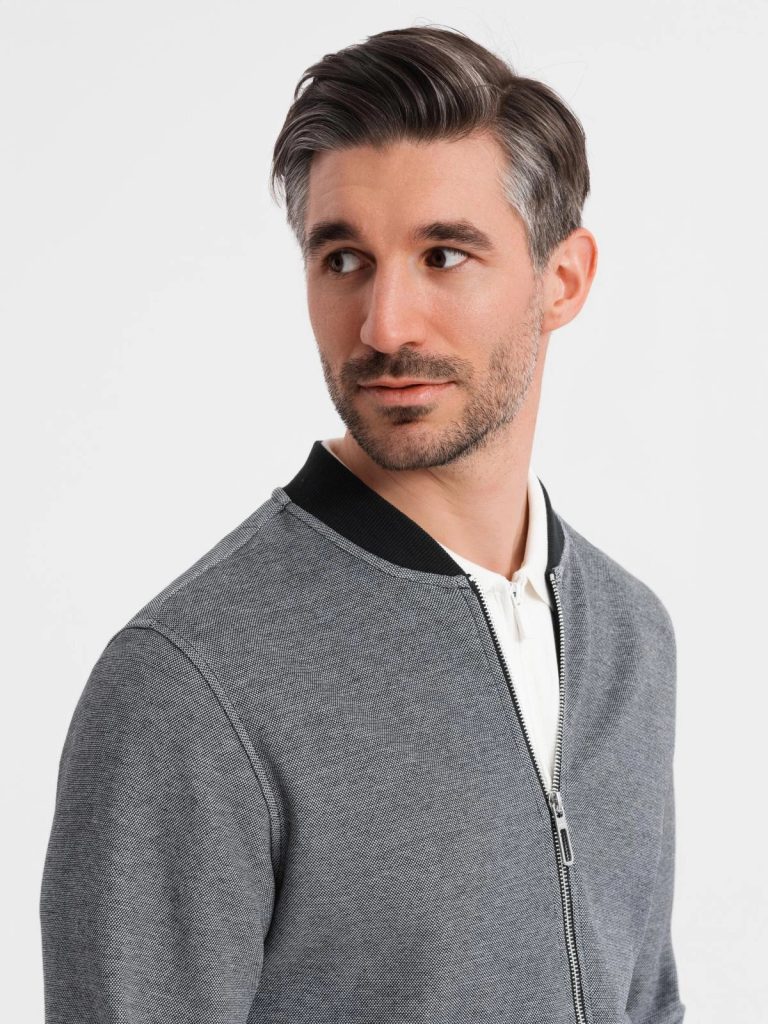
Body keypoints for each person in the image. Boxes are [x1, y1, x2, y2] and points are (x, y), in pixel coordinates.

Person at [39, 24, 685, 1024]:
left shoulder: (630, 636)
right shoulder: (190, 684)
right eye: (343, 259)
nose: (385, 326)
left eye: (444, 255)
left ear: (562, 279)